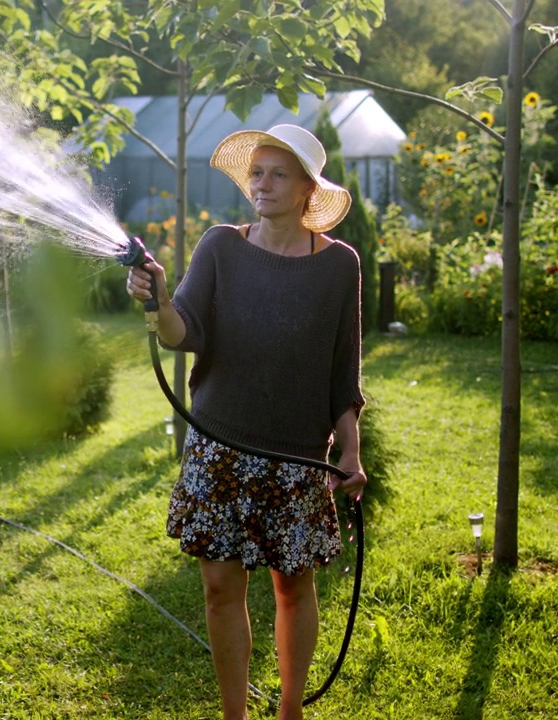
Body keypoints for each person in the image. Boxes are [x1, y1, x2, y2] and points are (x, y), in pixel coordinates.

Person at [125, 124, 367, 720]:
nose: (262, 183)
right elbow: (185, 330)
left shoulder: (339, 266)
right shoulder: (220, 247)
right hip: (220, 447)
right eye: (256, 172)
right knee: (220, 588)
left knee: (292, 585)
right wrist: (158, 303)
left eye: (278, 173)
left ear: (309, 188)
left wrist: (351, 451)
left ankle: (290, 709)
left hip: (296, 454)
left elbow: (344, 370)